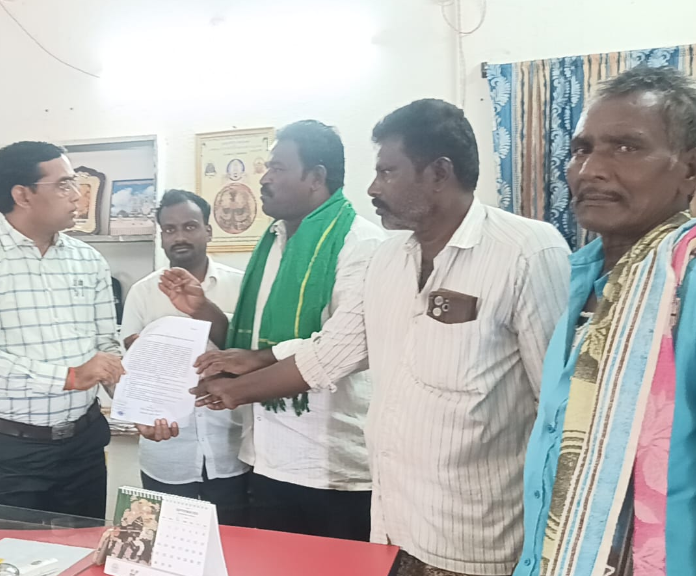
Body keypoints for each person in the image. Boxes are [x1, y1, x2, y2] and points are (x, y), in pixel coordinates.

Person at [191, 100, 572, 575]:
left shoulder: (526, 252)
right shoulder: (389, 260)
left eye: (388, 172)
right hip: (393, 527)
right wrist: (233, 389)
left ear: (439, 172)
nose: (372, 187)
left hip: (480, 540)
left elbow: (560, 408)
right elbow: (330, 354)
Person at [159, 120, 385, 541]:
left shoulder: (362, 244)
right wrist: (203, 310)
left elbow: (340, 350)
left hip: (332, 470)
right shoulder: (273, 244)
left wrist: (239, 387)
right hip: (264, 458)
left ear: (315, 177)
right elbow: (247, 346)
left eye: (277, 168)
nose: (264, 179)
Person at [514, 67, 696, 576]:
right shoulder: (578, 278)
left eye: (626, 148)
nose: (590, 169)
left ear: (689, 170)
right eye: (582, 149)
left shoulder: (684, 285)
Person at [0, 141, 123, 518]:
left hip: (85, 444)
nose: (77, 195)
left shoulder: (88, 259)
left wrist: (139, 400)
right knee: (17, 550)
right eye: (64, 185)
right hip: (16, 452)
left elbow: (107, 345)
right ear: (22, 195)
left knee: (87, 546)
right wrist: (71, 377)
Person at [120, 189, 249, 526]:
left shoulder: (242, 287)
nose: (179, 237)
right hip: (167, 453)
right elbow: (130, 371)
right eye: (169, 229)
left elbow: (252, 357)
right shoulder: (142, 293)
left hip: (232, 451)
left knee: (237, 549)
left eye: (190, 227)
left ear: (208, 231)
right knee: (168, 548)